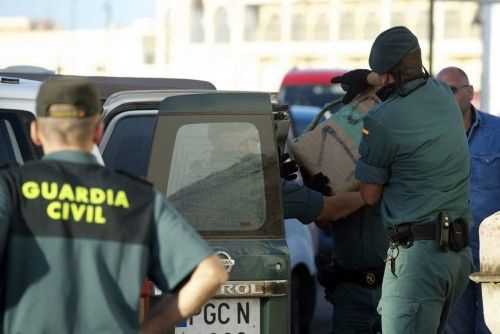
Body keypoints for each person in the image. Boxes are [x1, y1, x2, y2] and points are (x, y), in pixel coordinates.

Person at [0, 76, 228, 334]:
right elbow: (211, 273)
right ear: (98, 131)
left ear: (36, 132)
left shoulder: (10, 189)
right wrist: (150, 329)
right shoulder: (137, 198)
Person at [339, 26, 472, 333]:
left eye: (381, 74)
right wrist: (370, 77)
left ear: (388, 76)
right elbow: (402, 78)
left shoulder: (383, 119)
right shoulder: (443, 95)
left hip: (417, 263)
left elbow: (370, 195)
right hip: (455, 259)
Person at [437, 66, 500, 334]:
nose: (444, 96)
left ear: (469, 92)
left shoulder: (496, 132)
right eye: (438, 91)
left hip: (492, 256)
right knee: (454, 329)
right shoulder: (430, 138)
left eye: (450, 90)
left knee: (491, 328)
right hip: (450, 254)